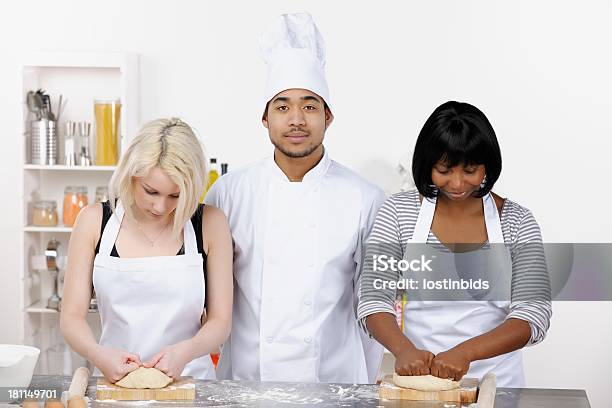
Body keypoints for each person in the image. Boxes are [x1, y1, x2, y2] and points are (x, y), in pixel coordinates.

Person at [204, 13, 385, 383]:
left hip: (334, 387)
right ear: (265, 119)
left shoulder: (365, 198)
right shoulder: (227, 193)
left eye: (310, 106)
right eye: (282, 107)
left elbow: (372, 308)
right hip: (246, 386)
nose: (297, 120)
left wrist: (362, 386)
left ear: (328, 117)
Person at [357, 101, 552, 387]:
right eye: (444, 170)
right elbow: (374, 299)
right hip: (420, 383)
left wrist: (466, 353)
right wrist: (403, 350)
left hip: (497, 385)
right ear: (427, 165)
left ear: (488, 166)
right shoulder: (398, 213)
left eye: (470, 170)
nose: (458, 183)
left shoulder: (517, 222)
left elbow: (533, 314)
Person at [60, 118, 233, 382]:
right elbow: (71, 317)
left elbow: (220, 321)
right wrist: (98, 354)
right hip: (114, 383)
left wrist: (185, 352)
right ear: (131, 175)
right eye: (151, 191)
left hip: (191, 382)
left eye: (176, 196)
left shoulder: (210, 223)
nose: (161, 207)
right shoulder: (94, 222)